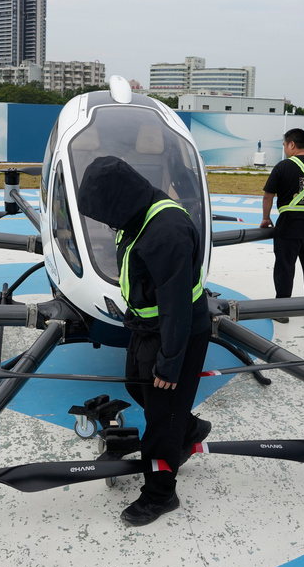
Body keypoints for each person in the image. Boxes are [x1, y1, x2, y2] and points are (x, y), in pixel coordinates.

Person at [77, 156, 211, 526]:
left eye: (106, 213)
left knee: (161, 420)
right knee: (138, 387)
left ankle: (160, 494)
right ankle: (190, 427)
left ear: (120, 199)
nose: (106, 222)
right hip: (146, 326)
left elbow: (177, 306)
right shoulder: (139, 213)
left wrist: (170, 360)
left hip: (174, 332)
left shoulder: (166, 233)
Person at [260, 128, 304, 322]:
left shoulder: (283, 167)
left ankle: (282, 312)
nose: (284, 149)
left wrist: (266, 218)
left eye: (284, 145)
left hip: (288, 227)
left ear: (292, 144)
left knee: (285, 268)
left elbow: (268, 195)